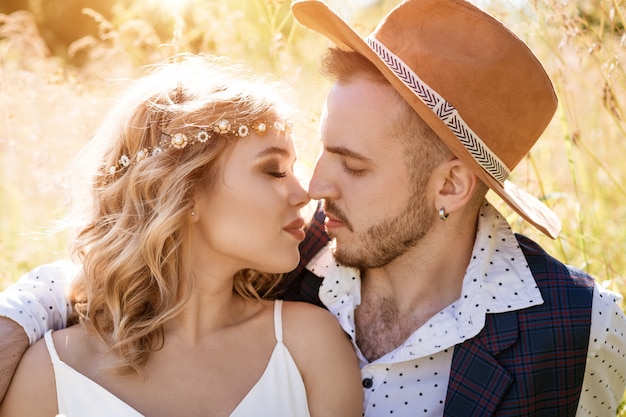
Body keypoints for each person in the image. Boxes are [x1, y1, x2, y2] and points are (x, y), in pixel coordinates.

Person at [0, 0, 625, 416]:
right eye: (319, 153)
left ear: (451, 187)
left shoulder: (586, 330)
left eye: (353, 166)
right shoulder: (280, 248)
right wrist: (17, 319)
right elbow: (127, 266)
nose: (314, 184)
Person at [0, 53, 363, 417]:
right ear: (184, 193)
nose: (305, 194)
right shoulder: (49, 374)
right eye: (273, 171)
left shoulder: (311, 346)